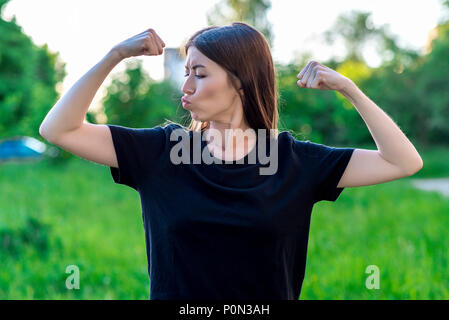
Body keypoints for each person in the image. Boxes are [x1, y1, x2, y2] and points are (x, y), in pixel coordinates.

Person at [39, 22, 423, 300]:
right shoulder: (160, 152)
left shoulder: (295, 162)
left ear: (240, 81)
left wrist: (349, 89)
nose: (186, 87)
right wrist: (115, 55)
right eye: (186, 72)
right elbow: (60, 130)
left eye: (200, 73)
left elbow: (402, 162)